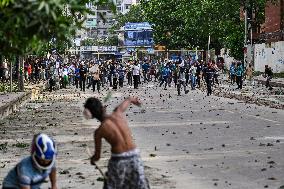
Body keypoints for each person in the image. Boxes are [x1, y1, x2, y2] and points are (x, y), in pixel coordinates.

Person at [83, 97, 149, 189]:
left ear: (93, 116)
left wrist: (92, 160)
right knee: (140, 185)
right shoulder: (118, 113)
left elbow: (97, 156)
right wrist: (135, 101)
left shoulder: (99, 131)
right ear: (103, 108)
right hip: (135, 156)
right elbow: (129, 99)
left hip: (119, 159)